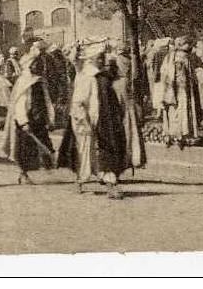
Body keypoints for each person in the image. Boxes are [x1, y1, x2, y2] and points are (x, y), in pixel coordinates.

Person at [58, 39, 127, 198]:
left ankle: (111, 185)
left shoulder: (102, 76)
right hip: (87, 124)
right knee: (85, 154)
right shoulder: (86, 77)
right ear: (91, 58)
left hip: (103, 122)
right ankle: (80, 182)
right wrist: (84, 122)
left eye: (103, 57)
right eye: (99, 57)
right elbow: (78, 102)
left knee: (106, 153)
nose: (102, 60)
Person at [0, 45, 55, 184]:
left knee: (43, 145)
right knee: (24, 149)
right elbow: (20, 103)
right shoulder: (24, 81)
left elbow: (46, 100)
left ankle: (39, 168)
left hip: (39, 119)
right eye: (36, 64)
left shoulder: (40, 81)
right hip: (27, 120)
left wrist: (50, 118)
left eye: (39, 63)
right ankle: (23, 174)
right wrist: (23, 121)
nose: (39, 66)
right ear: (29, 66)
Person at [158, 36, 203, 149]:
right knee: (182, 110)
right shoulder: (184, 57)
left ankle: (172, 133)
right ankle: (181, 134)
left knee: (173, 111)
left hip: (170, 88)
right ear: (184, 45)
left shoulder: (170, 56)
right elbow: (185, 75)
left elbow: (163, 72)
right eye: (188, 44)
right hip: (182, 88)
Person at [107, 43, 146, 173]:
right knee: (130, 122)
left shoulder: (117, 60)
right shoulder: (131, 60)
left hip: (120, 90)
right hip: (127, 92)